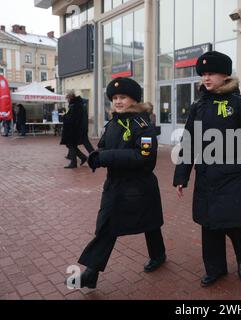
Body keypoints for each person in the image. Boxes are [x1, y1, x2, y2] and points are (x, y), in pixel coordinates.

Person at [173, 51, 241, 287]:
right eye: (203, 74)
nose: (206, 78)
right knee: (209, 227)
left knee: (235, 226)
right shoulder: (198, 105)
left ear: (225, 75)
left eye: (211, 73)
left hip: (235, 179)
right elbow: (189, 141)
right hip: (206, 178)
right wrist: (181, 175)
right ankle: (215, 269)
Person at [66, 77, 166, 289]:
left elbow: (146, 158)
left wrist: (106, 157)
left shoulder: (143, 124)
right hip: (115, 186)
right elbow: (103, 147)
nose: (118, 101)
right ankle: (91, 274)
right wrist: (97, 156)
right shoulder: (113, 123)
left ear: (134, 100)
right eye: (115, 98)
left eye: (123, 97)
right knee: (106, 227)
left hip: (139, 188)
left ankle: (158, 255)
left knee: (150, 223)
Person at [60, 91, 87, 168]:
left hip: (73, 130)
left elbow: (72, 119)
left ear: (70, 98)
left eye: (67, 98)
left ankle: (74, 162)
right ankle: (82, 158)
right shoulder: (76, 105)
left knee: (71, 145)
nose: (67, 100)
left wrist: (64, 116)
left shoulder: (74, 106)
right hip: (75, 129)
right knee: (71, 146)